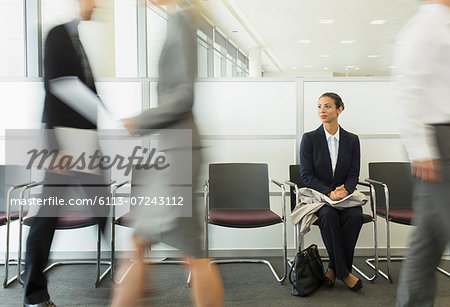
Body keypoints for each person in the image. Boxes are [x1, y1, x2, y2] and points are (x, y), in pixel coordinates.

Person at [110, 1, 223, 306]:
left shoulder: (181, 20)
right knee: (154, 244)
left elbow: (183, 96)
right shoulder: (179, 18)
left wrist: (139, 121)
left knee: (187, 251)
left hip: (179, 155)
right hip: (174, 152)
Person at [22, 1, 110, 306]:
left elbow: (84, 93)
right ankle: (34, 293)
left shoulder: (77, 39)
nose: (95, 5)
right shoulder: (58, 35)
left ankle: (119, 279)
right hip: (64, 146)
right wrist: (56, 149)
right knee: (46, 218)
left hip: (85, 145)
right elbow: (55, 88)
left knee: (102, 207)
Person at [392, 1, 450, 306]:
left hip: (441, 139)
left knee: (426, 243)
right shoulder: (424, 27)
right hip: (439, 141)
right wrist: (421, 147)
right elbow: (407, 91)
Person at [299, 92, 363, 291]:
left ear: (339, 109)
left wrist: (345, 191)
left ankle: (334, 269)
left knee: (355, 216)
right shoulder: (309, 138)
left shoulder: (352, 140)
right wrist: (329, 192)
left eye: (327, 106)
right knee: (328, 216)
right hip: (320, 198)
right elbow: (306, 175)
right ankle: (345, 273)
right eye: (319, 106)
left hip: (344, 197)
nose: (322, 111)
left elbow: (354, 173)